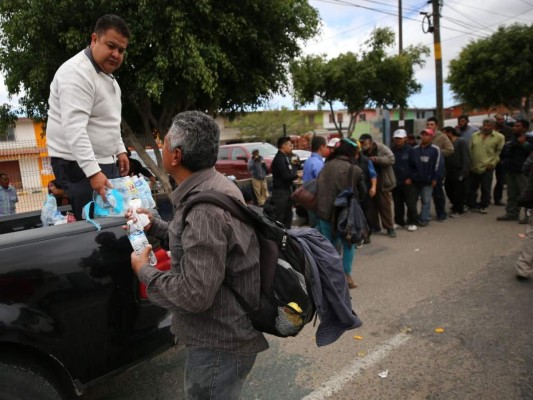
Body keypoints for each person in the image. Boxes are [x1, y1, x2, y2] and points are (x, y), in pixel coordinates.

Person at [128, 111, 268, 399]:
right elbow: (199, 246)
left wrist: (145, 271)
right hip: (225, 337)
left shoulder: (205, 208)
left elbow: (195, 293)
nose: (162, 147)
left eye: (164, 142)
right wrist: (155, 226)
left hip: (219, 343)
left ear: (176, 156)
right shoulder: (215, 186)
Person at [46, 14, 131, 220]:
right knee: (95, 226)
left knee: (112, 220)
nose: (116, 54)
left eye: (121, 50)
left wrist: (119, 149)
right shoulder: (77, 73)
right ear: (94, 39)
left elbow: (108, 119)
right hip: (79, 165)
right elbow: (74, 128)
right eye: (111, 46)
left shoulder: (107, 76)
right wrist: (93, 172)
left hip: (99, 162)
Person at [316, 138, 367, 289]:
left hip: (325, 213)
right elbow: (363, 195)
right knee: (348, 244)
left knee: (329, 246)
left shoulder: (326, 166)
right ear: (352, 152)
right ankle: (346, 276)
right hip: (346, 216)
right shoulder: (354, 170)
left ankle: (328, 276)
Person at [359, 133, 397, 237]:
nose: (362, 144)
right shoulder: (362, 152)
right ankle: (375, 226)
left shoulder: (381, 148)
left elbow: (391, 159)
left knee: (385, 206)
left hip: (383, 180)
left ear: (370, 142)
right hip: (369, 181)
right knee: (371, 206)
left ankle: (390, 228)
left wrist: (376, 159)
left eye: (364, 142)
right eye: (361, 142)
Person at [497, 119, 532, 223]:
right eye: (514, 126)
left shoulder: (529, 139)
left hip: (522, 172)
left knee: (526, 195)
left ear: (524, 128)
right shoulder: (511, 139)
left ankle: (528, 217)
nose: (514, 128)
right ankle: (512, 213)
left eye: (517, 126)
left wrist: (524, 143)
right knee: (512, 194)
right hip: (510, 170)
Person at [468, 118, 505, 214]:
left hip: (487, 166)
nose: (485, 127)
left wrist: (492, 163)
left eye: (488, 125)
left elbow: (499, 152)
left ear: (493, 126)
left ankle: (484, 205)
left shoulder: (499, 137)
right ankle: (472, 205)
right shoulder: (474, 136)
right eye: (484, 125)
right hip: (474, 165)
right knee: (472, 187)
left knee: (485, 187)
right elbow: (470, 149)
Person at [409, 129, 442, 227]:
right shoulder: (414, 149)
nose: (424, 137)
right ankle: (412, 218)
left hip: (428, 180)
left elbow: (438, 165)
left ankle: (424, 218)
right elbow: (410, 165)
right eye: (423, 134)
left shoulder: (435, 149)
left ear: (431, 137)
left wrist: (435, 178)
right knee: (412, 201)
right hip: (415, 181)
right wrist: (412, 176)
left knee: (426, 200)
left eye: (427, 135)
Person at [426, 117, 454, 222]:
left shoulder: (441, 136)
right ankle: (425, 214)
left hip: (438, 169)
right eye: (428, 124)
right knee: (426, 194)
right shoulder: (425, 135)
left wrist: (436, 152)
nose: (429, 126)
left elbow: (450, 149)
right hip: (426, 169)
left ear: (436, 126)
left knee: (438, 193)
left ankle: (441, 213)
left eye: (431, 124)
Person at [391, 129, 418, 232]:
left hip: (408, 182)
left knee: (410, 203)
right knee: (398, 204)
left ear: (405, 139)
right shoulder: (392, 150)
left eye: (400, 138)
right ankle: (399, 222)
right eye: (396, 138)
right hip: (396, 182)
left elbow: (416, 167)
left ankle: (412, 222)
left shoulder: (411, 151)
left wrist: (411, 178)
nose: (398, 140)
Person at [270, 136, 299, 228]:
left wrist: (296, 167)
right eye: (290, 145)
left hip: (287, 190)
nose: (292, 147)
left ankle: (287, 237)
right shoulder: (279, 159)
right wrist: (297, 175)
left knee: (288, 216)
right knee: (280, 218)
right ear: (283, 146)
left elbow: (290, 171)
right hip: (280, 192)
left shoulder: (286, 157)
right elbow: (285, 176)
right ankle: (280, 239)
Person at [442, 126, 470, 217]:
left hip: (459, 171)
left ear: (450, 133)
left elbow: (465, 157)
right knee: (449, 189)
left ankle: (459, 210)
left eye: (444, 133)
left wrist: (464, 172)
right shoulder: (447, 144)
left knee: (458, 192)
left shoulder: (461, 141)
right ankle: (455, 205)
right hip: (449, 171)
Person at [302, 136, 328, 227]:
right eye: (326, 146)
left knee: (313, 227)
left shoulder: (308, 161)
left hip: (308, 199)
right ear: (321, 147)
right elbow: (323, 183)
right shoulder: (318, 163)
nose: (327, 149)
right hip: (317, 200)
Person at [493, 114, 514, 206]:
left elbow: (510, 144)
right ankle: (485, 198)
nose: (501, 121)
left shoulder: (509, 130)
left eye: (502, 119)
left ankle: (498, 198)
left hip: (502, 158)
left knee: (500, 180)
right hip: (489, 157)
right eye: (498, 119)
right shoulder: (489, 130)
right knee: (485, 180)